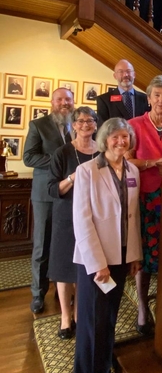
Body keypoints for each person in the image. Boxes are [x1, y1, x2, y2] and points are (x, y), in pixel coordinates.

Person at [71, 118, 142, 373]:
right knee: (91, 329)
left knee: (109, 323)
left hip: (121, 258)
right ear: (103, 140)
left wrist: (134, 256)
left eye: (125, 136)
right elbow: (82, 222)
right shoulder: (87, 171)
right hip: (94, 264)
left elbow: (132, 217)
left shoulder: (133, 171)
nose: (120, 142)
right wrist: (97, 263)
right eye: (114, 137)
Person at [127, 76, 162, 334]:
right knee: (145, 256)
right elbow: (126, 161)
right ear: (148, 99)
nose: (161, 100)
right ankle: (141, 307)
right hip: (145, 198)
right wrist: (156, 161)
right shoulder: (134, 125)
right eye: (157, 95)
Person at [47, 107, 99, 339]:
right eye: (81, 121)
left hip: (94, 217)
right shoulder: (63, 152)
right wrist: (72, 178)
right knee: (63, 267)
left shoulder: (102, 152)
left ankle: (79, 313)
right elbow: (52, 189)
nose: (86, 125)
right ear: (74, 125)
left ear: (96, 125)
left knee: (85, 267)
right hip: (67, 217)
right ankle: (65, 318)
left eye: (90, 121)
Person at [23, 87, 75, 314]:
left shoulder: (78, 124)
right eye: (60, 99)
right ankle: (38, 293)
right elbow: (28, 157)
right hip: (45, 194)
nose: (65, 103)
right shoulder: (38, 125)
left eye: (68, 99)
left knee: (66, 244)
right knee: (42, 245)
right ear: (52, 102)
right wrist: (58, 162)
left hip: (71, 194)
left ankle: (62, 288)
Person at [96, 59, 149, 127]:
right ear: (115, 76)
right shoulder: (104, 100)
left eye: (128, 71)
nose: (125, 75)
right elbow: (102, 128)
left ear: (134, 75)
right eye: (121, 71)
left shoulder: (145, 98)